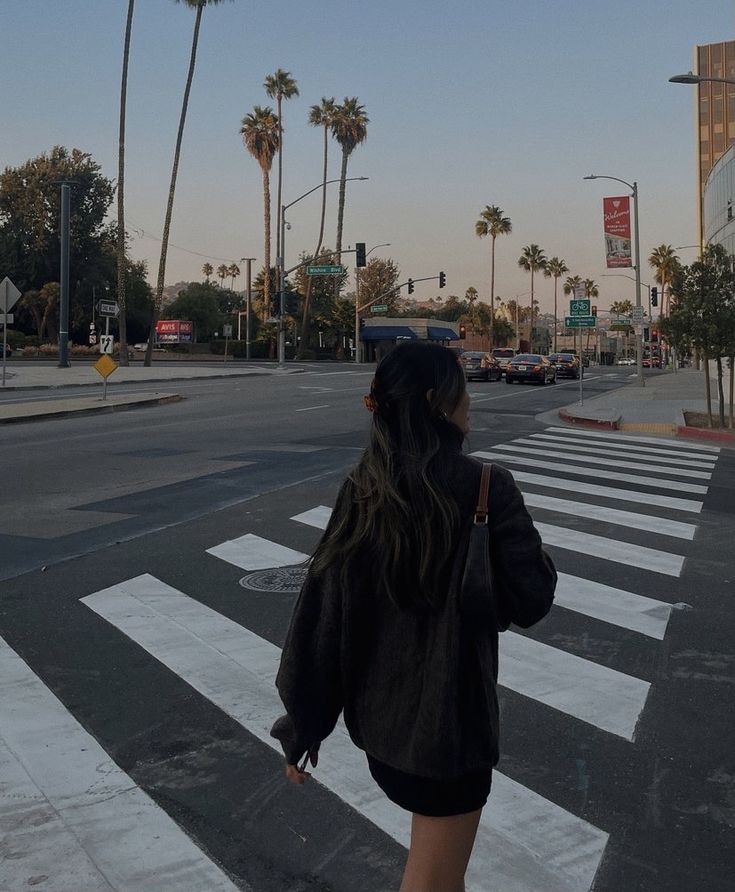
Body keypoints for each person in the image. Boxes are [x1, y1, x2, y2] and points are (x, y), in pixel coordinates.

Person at [271, 341, 556, 891]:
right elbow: (534, 598)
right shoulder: (485, 487)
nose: (470, 398)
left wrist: (304, 726)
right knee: (433, 881)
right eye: (461, 388)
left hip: (382, 734)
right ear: (435, 401)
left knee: (441, 876)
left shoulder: (363, 488)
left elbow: (321, 617)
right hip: (450, 737)